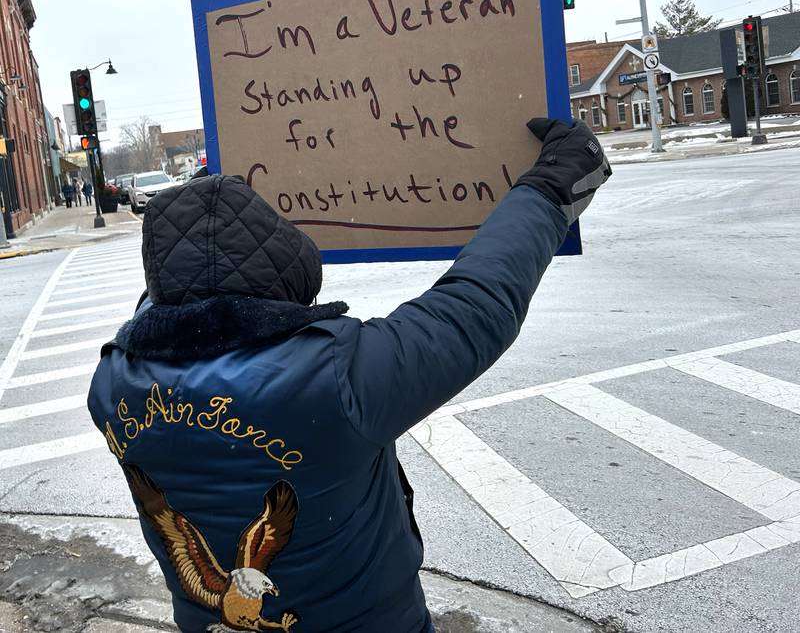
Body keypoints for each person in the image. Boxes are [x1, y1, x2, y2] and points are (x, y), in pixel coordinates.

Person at [87, 118, 611, 633]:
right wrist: (548, 189)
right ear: (289, 284)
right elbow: (474, 305)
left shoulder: (112, 386)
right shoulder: (339, 378)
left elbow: (170, 307)